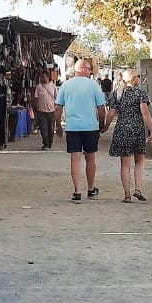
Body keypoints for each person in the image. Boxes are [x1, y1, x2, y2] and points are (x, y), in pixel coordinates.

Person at [55, 59, 107, 203]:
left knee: (75, 159)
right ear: (84, 69)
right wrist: (101, 123)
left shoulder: (66, 85)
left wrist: (58, 125)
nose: (91, 71)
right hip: (90, 127)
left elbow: (58, 107)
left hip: (72, 127)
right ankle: (90, 189)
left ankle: (77, 191)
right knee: (90, 158)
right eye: (90, 68)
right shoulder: (94, 86)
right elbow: (101, 109)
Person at [102, 68, 152, 203]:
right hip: (137, 130)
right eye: (137, 76)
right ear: (134, 79)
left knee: (125, 165)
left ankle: (127, 195)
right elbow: (145, 113)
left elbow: (111, 113)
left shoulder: (118, 94)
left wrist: (104, 127)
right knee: (139, 161)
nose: (138, 78)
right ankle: (138, 189)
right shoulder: (140, 93)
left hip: (122, 130)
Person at [33, 70, 58, 150]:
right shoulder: (39, 87)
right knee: (43, 129)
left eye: (43, 77)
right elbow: (36, 98)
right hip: (41, 112)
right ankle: (46, 143)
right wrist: (37, 108)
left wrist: (56, 107)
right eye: (41, 77)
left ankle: (50, 142)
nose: (42, 78)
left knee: (51, 129)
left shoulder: (53, 86)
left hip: (51, 111)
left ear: (47, 77)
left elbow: (56, 98)